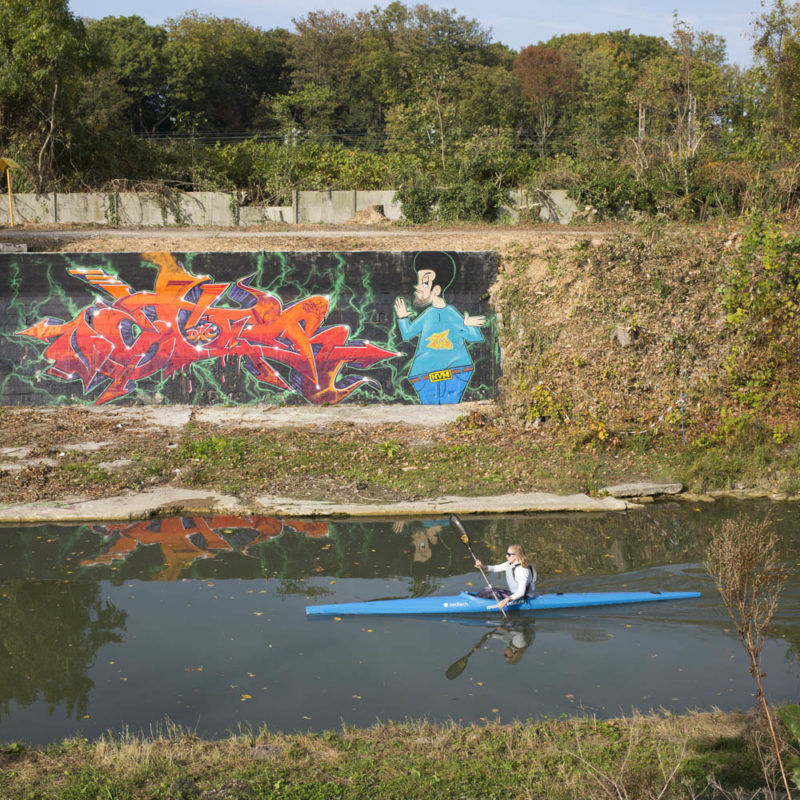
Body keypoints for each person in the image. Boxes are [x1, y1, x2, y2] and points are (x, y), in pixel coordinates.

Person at [394, 251, 486, 405]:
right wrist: (403, 318)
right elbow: (407, 334)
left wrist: (469, 325)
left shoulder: (450, 313)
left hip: (445, 372)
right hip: (437, 373)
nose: (417, 287)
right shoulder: (428, 314)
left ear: (436, 290)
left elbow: (474, 337)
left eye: (424, 283)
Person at [474, 544, 537, 611]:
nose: (506, 556)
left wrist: (506, 600)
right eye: (506, 553)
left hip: (523, 598)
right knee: (487, 590)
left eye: (509, 554)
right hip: (514, 595)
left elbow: (521, 592)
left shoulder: (522, 571)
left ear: (516, 556)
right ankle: (475, 600)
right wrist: (482, 566)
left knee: (490, 593)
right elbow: (495, 568)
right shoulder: (511, 564)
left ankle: (473, 605)